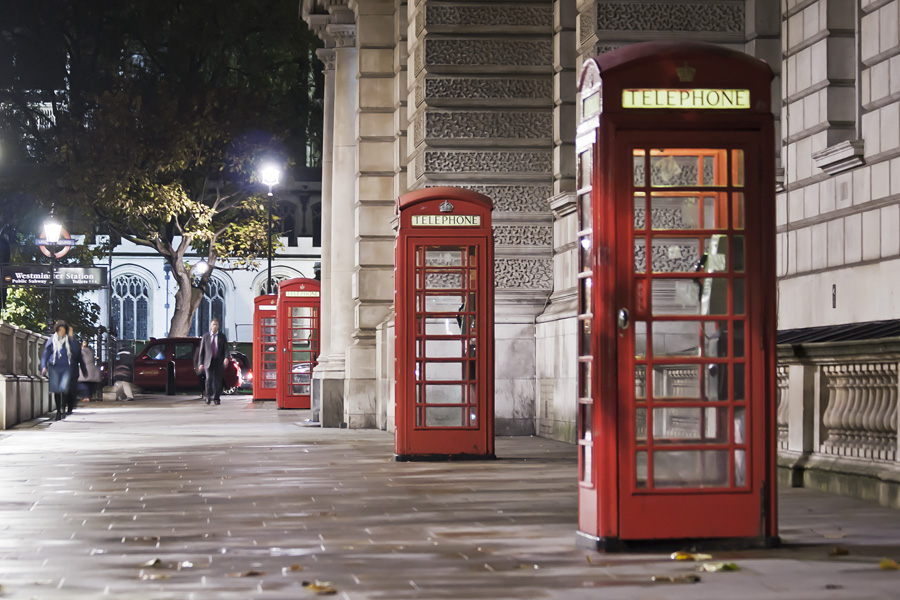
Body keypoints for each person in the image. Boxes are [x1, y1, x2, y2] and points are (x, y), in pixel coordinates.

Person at [40, 320, 87, 420]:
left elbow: (76, 351)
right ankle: (58, 411)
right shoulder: (51, 340)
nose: (61, 332)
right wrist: (43, 366)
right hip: (54, 367)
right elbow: (46, 354)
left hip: (66, 367)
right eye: (60, 330)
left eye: (63, 330)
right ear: (57, 330)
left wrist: (71, 336)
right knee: (56, 390)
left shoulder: (70, 340)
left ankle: (63, 409)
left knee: (64, 389)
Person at [197, 318, 228, 405]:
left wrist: (226, 358)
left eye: (216, 325)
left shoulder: (222, 336)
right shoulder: (205, 336)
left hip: (218, 361)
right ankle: (208, 397)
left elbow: (226, 349)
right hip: (208, 362)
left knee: (218, 381)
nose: (215, 326)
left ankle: (216, 398)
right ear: (210, 326)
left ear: (218, 326)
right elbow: (201, 351)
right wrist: (200, 363)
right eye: (213, 324)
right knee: (209, 380)